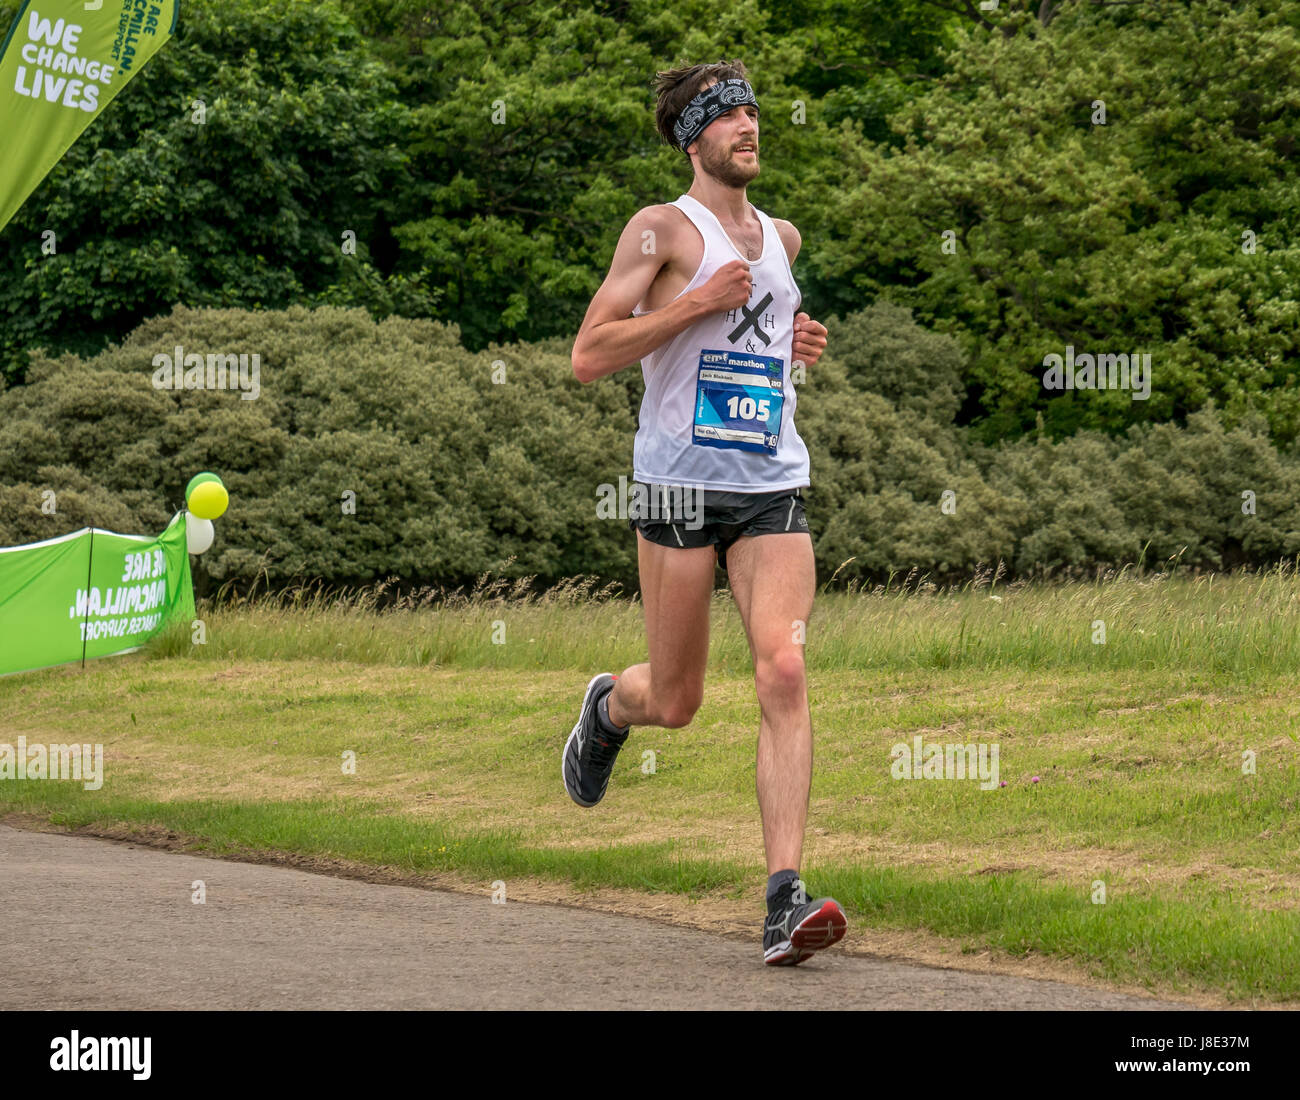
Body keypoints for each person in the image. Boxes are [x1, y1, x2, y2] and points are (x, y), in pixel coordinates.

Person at [564, 60, 844, 966]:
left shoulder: (783, 239)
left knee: (785, 671)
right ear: (695, 139)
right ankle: (609, 708)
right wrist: (690, 305)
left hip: (771, 483)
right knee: (676, 700)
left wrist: (799, 346)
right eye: (733, 119)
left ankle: (782, 901)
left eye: (757, 114)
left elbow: (757, 347)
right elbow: (590, 354)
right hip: (679, 488)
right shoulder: (659, 232)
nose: (751, 128)